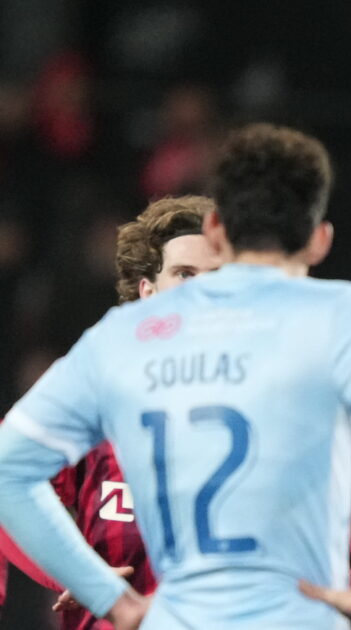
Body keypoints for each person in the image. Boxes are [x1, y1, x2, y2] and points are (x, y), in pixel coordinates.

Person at [0, 123, 351, 630]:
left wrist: (113, 599)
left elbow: (8, 468)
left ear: (217, 231)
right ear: (319, 240)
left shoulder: (125, 334)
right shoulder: (342, 315)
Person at [0, 195, 224, 630]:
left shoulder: (284, 400)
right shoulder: (95, 394)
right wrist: (78, 575)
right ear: (148, 291)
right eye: (184, 274)